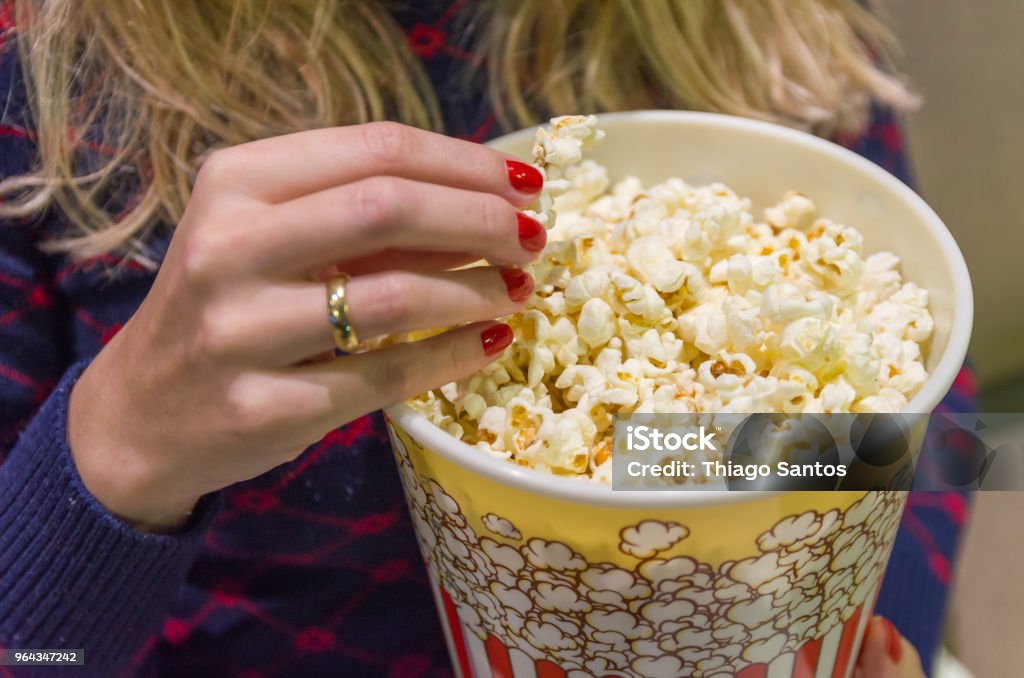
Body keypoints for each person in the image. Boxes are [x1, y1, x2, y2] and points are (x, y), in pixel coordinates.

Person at [0, 1, 971, 676]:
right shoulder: (37, 77)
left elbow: (932, 418)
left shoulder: (758, 21)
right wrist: (118, 444)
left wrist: (859, 632)